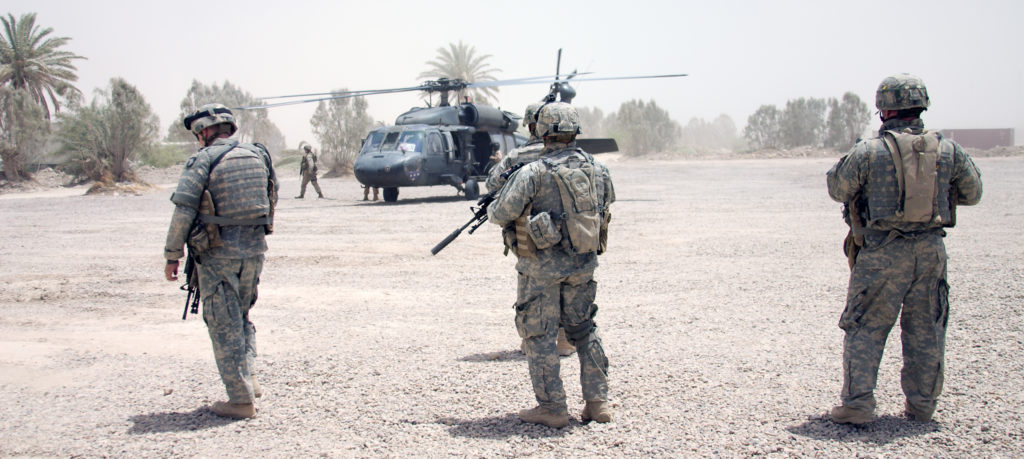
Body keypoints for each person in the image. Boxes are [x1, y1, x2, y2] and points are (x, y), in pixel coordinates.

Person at [826, 74, 982, 424]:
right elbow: (973, 193)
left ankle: (858, 404)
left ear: (884, 111)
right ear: (921, 107)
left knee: (866, 327)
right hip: (930, 251)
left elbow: (838, 188)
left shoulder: (868, 152)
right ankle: (923, 405)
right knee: (927, 327)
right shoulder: (948, 150)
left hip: (882, 252)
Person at [487, 102, 615, 428]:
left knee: (539, 335)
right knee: (585, 330)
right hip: (584, 264)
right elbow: (604, 206)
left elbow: (498, 214)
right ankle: (598, 402)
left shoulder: (532, 172)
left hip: (540, 270)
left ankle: (553, 408)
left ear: (542, 132)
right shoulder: (599, 170)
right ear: (576, 131)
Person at [163, 103, 279, 419]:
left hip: (217, 256)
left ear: (205, 132)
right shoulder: (258, 156)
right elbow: (272, 196)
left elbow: (184, 209)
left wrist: (173, 254)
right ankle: (249, 377)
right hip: (254, 252)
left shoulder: (202, 160)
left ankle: (240, 401)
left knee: (221, 323)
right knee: (241, 316)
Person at [487, 102, 576, 357]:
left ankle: (531, 341)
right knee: (567, 283)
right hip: (570, 233)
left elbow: (492, 183)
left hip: (528, 237)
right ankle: (564, 340)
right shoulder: (572, 156)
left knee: (532, 286)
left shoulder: (517, 156)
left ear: (530, 125)